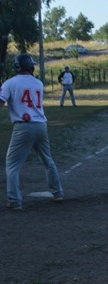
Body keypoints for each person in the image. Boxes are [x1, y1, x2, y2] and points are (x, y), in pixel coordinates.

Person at [1, 53, 64, 210]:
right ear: (30, 67)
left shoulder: (9, 83)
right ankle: (58, 193)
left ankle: (14, 201)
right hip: (41, 125)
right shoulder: (38, 83)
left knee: (12, 165)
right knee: (48, 160)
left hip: (23, 127)